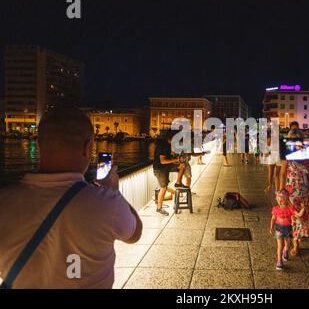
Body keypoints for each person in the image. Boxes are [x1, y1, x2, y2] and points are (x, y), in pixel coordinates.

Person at [0, 106, 143, 289]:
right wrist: (113, 191)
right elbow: (134, 234)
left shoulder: (5, 201)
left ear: (39, 144)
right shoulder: (107, 203)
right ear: (88, 147)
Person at [153, 130, 187, 216]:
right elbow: (163, 161)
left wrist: (178, 158)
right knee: (163, 188)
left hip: (167, 167)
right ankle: (159, 208)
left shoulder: (168, 144)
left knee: (182, 165)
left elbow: (170, 154)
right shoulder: (163, 145)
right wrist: (177, 160)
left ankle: (178, 183)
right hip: (160, 169)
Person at [270, 189, 296, 271]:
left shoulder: (289, 209)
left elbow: (295, 214)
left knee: (287, 245)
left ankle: (286, 251)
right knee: (280, 245)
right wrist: (271, 227)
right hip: (279, 229)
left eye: (281, 200)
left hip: (288, 229)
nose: (279, 202)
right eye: (278, 200)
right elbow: (273, 219)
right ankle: (279, 261)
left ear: (286, 200)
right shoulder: (276, 209)